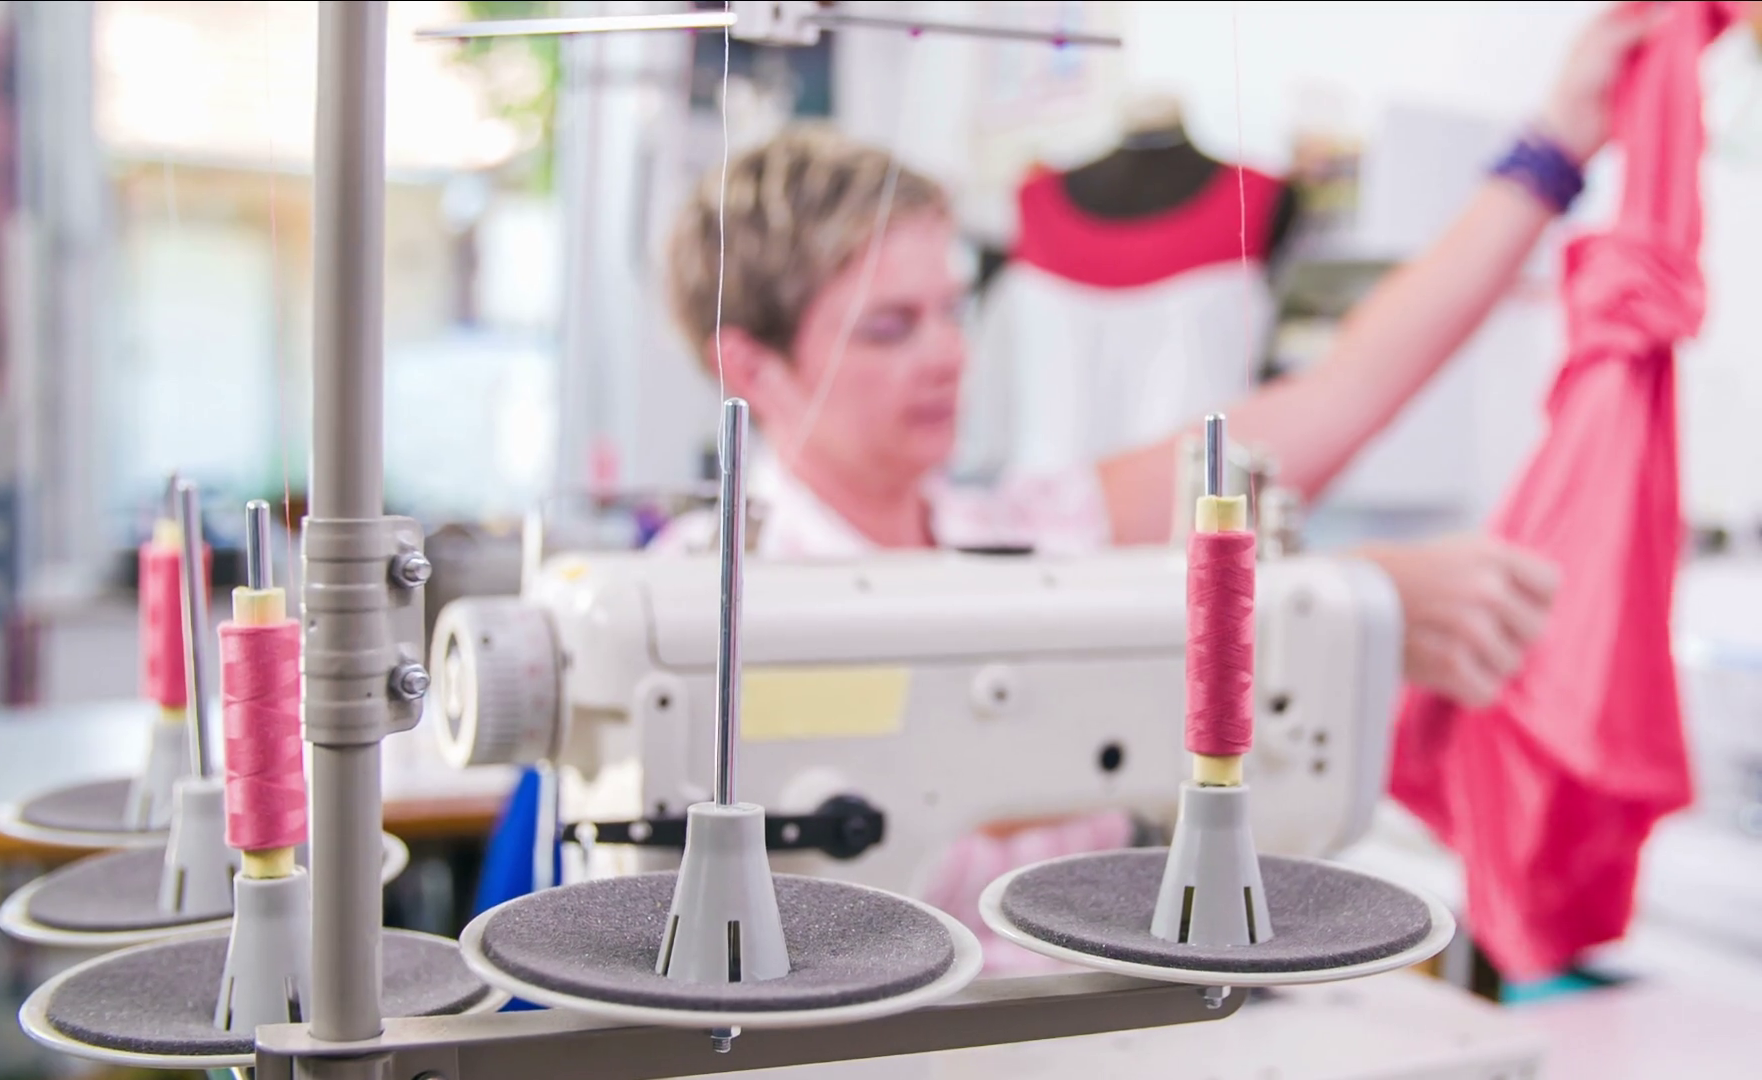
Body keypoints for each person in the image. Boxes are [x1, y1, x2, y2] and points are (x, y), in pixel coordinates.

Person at [648, 4, 1662, 969]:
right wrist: (1329, 606)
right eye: (889, 327)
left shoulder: (1027, 529)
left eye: (952, 311)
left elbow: (1344, 390)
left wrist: (1557, 143)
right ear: (751, 367)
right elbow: (927, 753)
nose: (947, 354)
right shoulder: (703, 600)